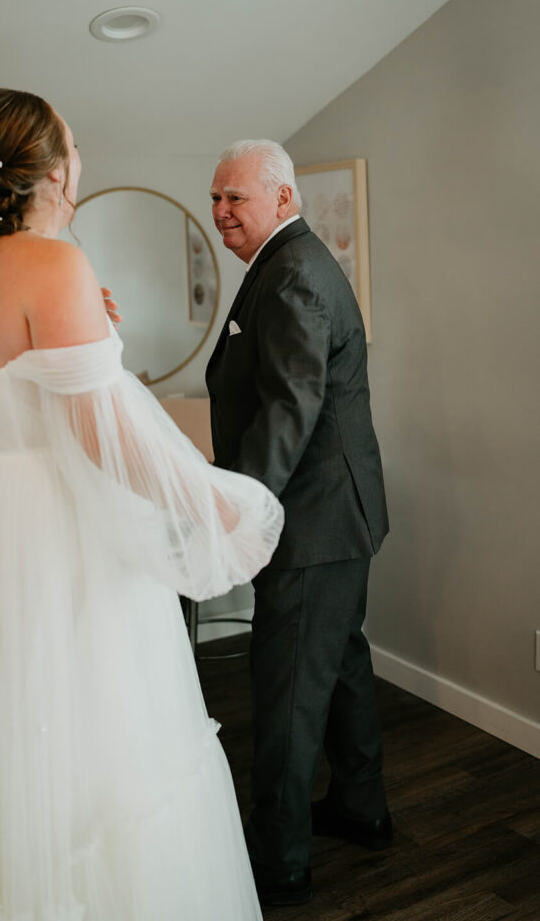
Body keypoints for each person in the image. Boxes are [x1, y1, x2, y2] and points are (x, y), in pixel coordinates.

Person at [0, 91, 284, 921]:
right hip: (54, 524)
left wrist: (91, 330)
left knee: (2, 734)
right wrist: (213, 499)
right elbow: (106, 438)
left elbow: (7, 392)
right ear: (52, 168)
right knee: (96, 736)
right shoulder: (53, 266)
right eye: (76, 144)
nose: (81, 159)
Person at [205, 139, 391, 907]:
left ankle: (277, 861)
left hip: (312, 522)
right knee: (338, 664)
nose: (220, 212)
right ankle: (359, 809)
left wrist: (238, 513)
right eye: (214, 198)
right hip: (339, 513)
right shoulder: (289, 264)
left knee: (286, 689)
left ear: (282, 200)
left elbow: (289, 409)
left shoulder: (293, 277)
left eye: (234, 198)